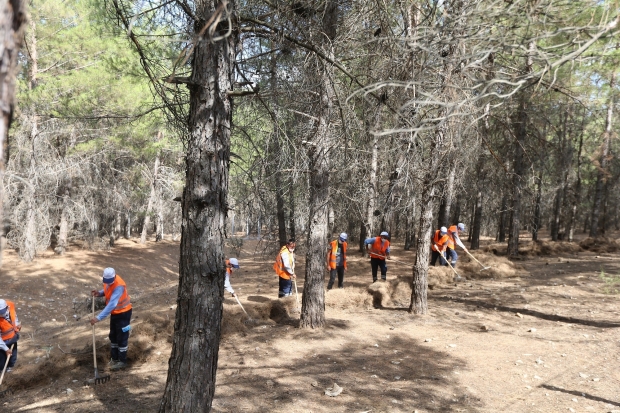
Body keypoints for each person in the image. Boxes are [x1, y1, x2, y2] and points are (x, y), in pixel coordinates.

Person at [90, 268, 132, 371]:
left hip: (124, 313)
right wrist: (99, 293)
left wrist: (98, 318)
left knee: (122, 337)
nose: (108, 283)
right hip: (115, 314)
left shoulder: (119, 286)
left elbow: (112, 304)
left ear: (114, 276)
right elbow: (107, 290)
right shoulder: (108, 281)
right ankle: (114, 358)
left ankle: (122, 361)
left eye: (110, 281)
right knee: (113, 335)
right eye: (106, 281)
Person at [0, 299, 21, 373]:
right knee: (1, 361)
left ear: (6, 307)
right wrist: (5, 349)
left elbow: (14, 318)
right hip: (2, 342)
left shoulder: (10, 308)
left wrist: (17, 325)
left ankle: (9, 369)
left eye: (1, 313)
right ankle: (1, 371)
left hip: (12, 338)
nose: (1, 315)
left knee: (12, 357)